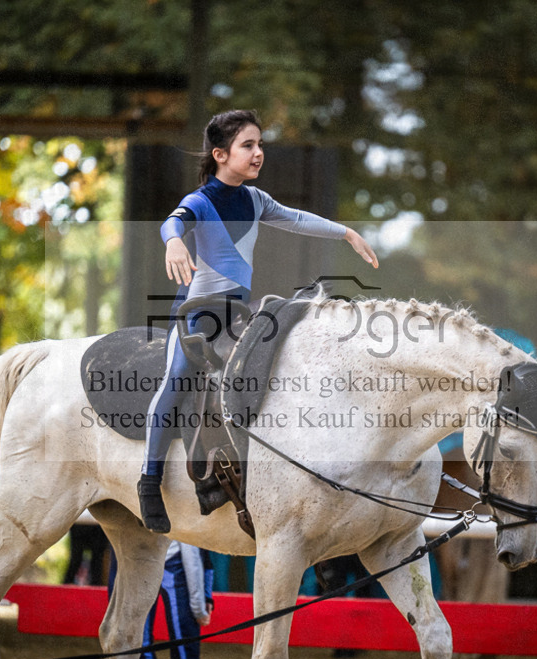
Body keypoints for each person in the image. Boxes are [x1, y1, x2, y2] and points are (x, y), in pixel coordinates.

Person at [139, 109, 379, 533]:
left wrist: (346, 233)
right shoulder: (200, 201)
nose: (258, 153)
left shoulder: (255, 200)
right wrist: (174, 242)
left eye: (260, 144)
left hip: (236, 319)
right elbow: (172, 221)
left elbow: (297, 218)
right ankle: (149, 481)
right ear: (220, 154)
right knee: (176, 378)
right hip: (193, 318)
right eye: (248, 145)